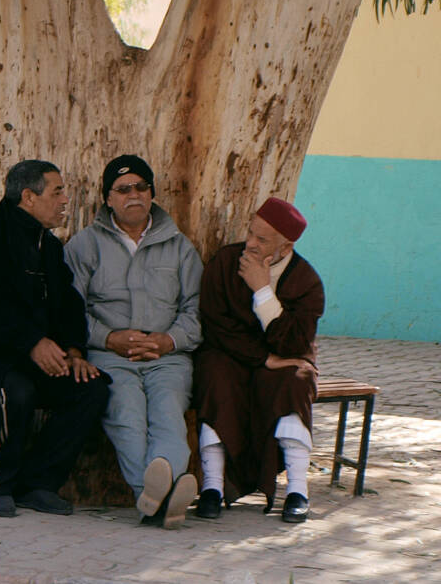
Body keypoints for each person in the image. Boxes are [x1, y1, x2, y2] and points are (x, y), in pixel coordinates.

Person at [0, 159, 110, 518]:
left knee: (92, 387)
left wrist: (73, 350)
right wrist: (32, 342)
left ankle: (38, 484)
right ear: (28, 196)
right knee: (16, 391)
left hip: (30, 360)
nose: (65, 200)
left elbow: (67, 305)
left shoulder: (49, 247)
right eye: (57, 192)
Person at [65, 155, 203, 529]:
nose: (134, 195)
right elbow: (68, 311)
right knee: (126, 414)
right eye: (123, 189)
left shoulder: (179, 247)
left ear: (152, 193)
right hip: (109, 356)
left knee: (168, 415)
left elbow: (195, 312)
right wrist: (108, 338)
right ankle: (164, 496)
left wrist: (167, 340)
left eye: (142, 187)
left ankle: (152, 502)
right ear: (108, 198)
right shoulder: (84, 245)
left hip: (167, 358)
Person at [193, 197, 324, 524]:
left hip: (283, 362)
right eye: (251, 233)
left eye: (262, 240)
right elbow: (215, 325)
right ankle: (212, 488)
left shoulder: (307, 282)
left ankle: (297, 490)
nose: (250, 244)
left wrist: (263, 291)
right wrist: (264, 358)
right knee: (215, 373)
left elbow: (295, 343)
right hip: (232, 356)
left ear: (285, 247)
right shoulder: (224, 262)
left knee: (297, 379)